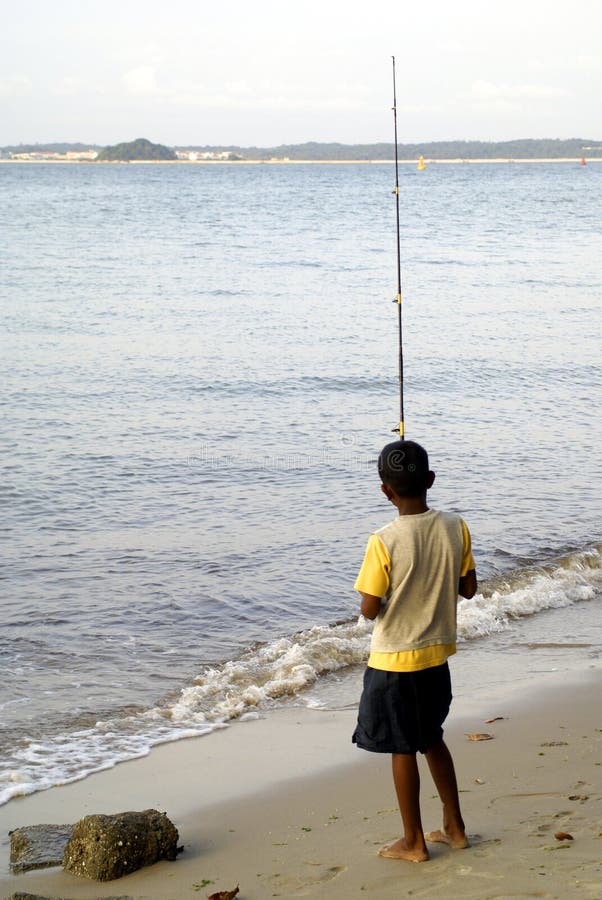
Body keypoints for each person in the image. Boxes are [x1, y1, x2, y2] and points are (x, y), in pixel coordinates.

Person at [352, 439, 477, 862]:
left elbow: (370, 609)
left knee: (401, 747)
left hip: (393, 662)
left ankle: (414, 841)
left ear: (385, 490)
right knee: (432, 738)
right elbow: (469, 588)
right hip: (435, 658)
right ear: (430, 481)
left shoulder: (383, 540)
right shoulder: (455, 525)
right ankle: (455, 828)